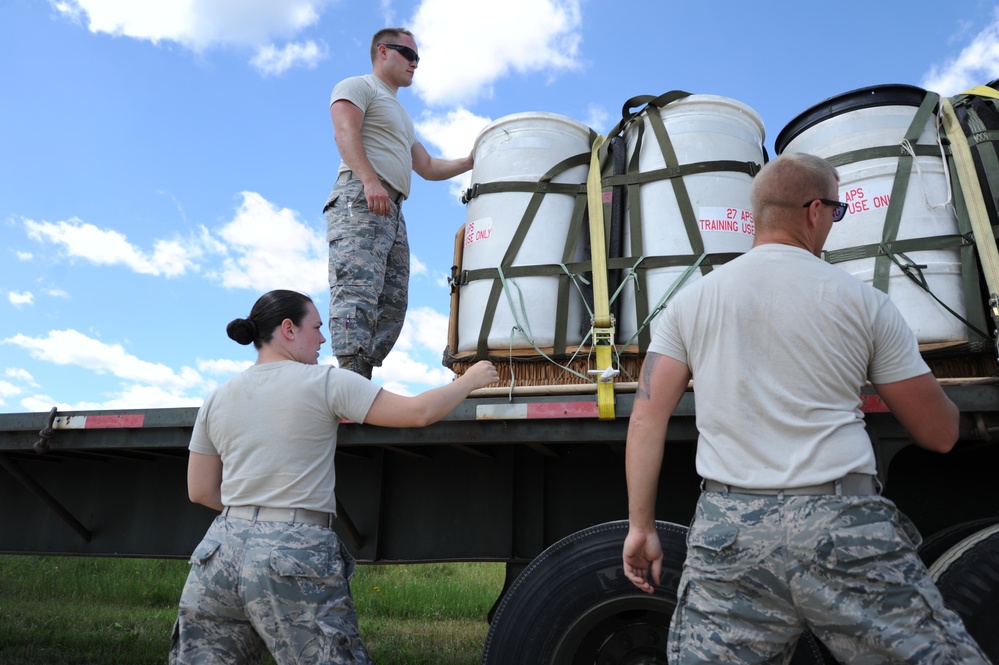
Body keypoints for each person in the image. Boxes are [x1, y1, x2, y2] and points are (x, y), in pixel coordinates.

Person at [621, 153, 989, 664]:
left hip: (730, 529)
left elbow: (646, 416)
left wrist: (642, 527)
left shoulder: (691, 302)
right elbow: (938, 434)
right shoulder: (865, 302)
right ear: (815, 210)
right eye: (836, 212)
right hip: (843, 524)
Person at [169, 289, 498, 664]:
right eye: (317, 328)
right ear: (288, 329)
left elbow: (200, 490)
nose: (323, 339)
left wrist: (252, 517)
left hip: (218, 552)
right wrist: (469, 381)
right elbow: (418, 413)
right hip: (293, 553)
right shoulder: (324, 382)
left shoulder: (217, 396)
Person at [322, 27, 474, 379]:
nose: (415, 64)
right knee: (358, 286)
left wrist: (470, 161)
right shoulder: (358, 86)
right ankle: (350, 373)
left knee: (392, 297)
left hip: (391, 206)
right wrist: (370, 181)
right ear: (382, 51)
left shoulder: (403, 116)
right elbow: (345, 132)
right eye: (409, 55)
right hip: (360, 195)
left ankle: (364, 374)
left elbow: (427, 167)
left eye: (418, 57)